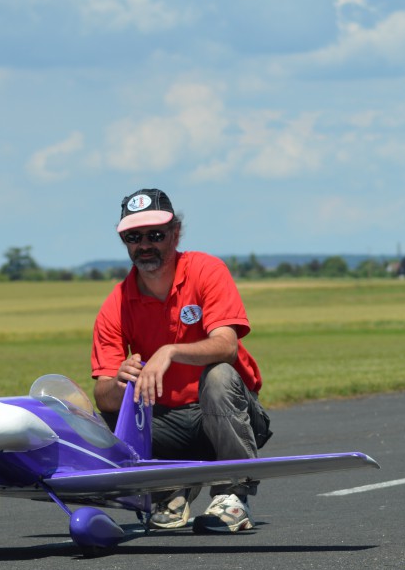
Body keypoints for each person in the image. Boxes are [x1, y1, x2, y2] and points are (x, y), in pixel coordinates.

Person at [91, 188, 271, 534]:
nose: (145, 244)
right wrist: (119, 380)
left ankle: (233, 495)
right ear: (124, 241)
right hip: (168, 425)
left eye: (156, 235)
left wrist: (170, 351)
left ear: (175, 233)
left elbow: (227, 345)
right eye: (134, 237)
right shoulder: (116, 302)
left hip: (228, 417)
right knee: (111, 408)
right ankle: (169, 488)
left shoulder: (206, 270)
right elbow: (103, 397)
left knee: (218, 375)